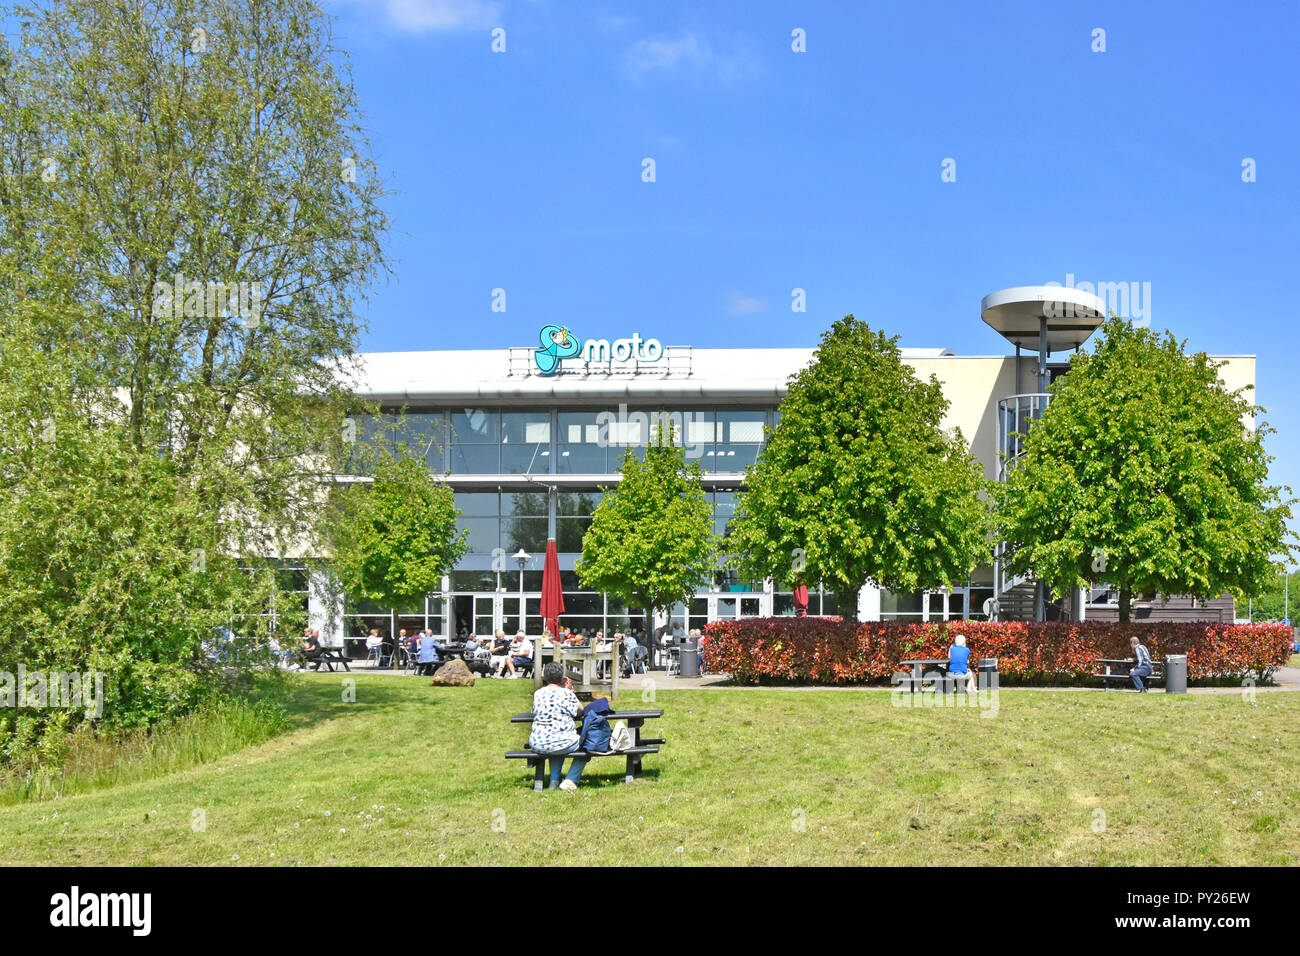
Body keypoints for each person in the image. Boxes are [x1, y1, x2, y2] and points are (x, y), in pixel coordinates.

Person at [529, 662, 589, 790]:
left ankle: (554, 782)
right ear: (563, 678)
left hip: (538, 742)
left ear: (545, 678)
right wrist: (570, 690)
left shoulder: (538, 693)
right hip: (562, 741)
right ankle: (571, 780)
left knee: (557, 742)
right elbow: (580, 710)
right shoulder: (567, 694)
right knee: (589, 743)